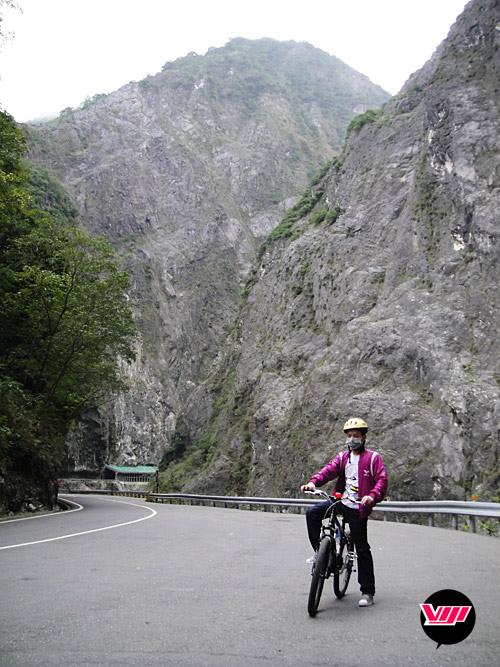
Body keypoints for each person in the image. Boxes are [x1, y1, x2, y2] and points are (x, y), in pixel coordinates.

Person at [300, 417, 388, 608]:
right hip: (341, 501)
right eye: (349, 436)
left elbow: (381, 480)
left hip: (358, 507)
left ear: (364, 438)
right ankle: (320, 553)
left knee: (362, 548)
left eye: (356, 436)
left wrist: (372, 496)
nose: (352, 439)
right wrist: (313, 482)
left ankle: (367, 591)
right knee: (312, 514)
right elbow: (328, 471)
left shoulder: (373, 458)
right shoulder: (343, 457)